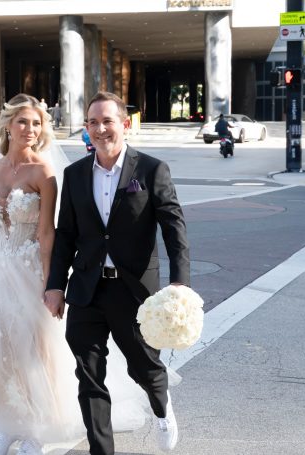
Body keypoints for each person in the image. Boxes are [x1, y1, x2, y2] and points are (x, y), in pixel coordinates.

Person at [0, 94, 163, 455]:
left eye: (37, 123)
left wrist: (52, 284)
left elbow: (49, 233)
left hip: (31, 268)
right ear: (8, 126)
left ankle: (34, 430)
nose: (31, 130)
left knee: (33, 350)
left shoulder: (44, 174)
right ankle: (4, 425)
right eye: (23, 122)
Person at [44, 91, 191, 455]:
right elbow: (65, 236)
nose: (100, 129)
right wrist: (54, 286)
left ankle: (162, 408)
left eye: (107, 121)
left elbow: (174, 229)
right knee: (89, 377)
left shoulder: (152, 170)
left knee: (145, 368)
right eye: (92, 122)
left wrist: (180, 285)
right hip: (87, 290)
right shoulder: (75, 174)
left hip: (134, 292)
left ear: (125, 125)